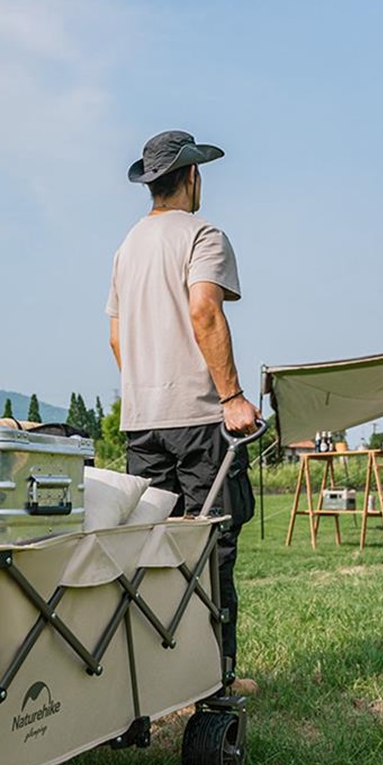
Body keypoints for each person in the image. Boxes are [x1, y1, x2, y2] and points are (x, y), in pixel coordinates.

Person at [106, 129, 261, 695]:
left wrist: (146, 389)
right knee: (211, 549)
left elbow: (118, 339)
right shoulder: (204, 235)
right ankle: (215, 680)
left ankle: (152, 679)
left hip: (141, 420)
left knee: (152, 552)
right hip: (198, 418)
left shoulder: (127, 248)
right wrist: (232, 398)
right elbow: (204, 314)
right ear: (193, 177)